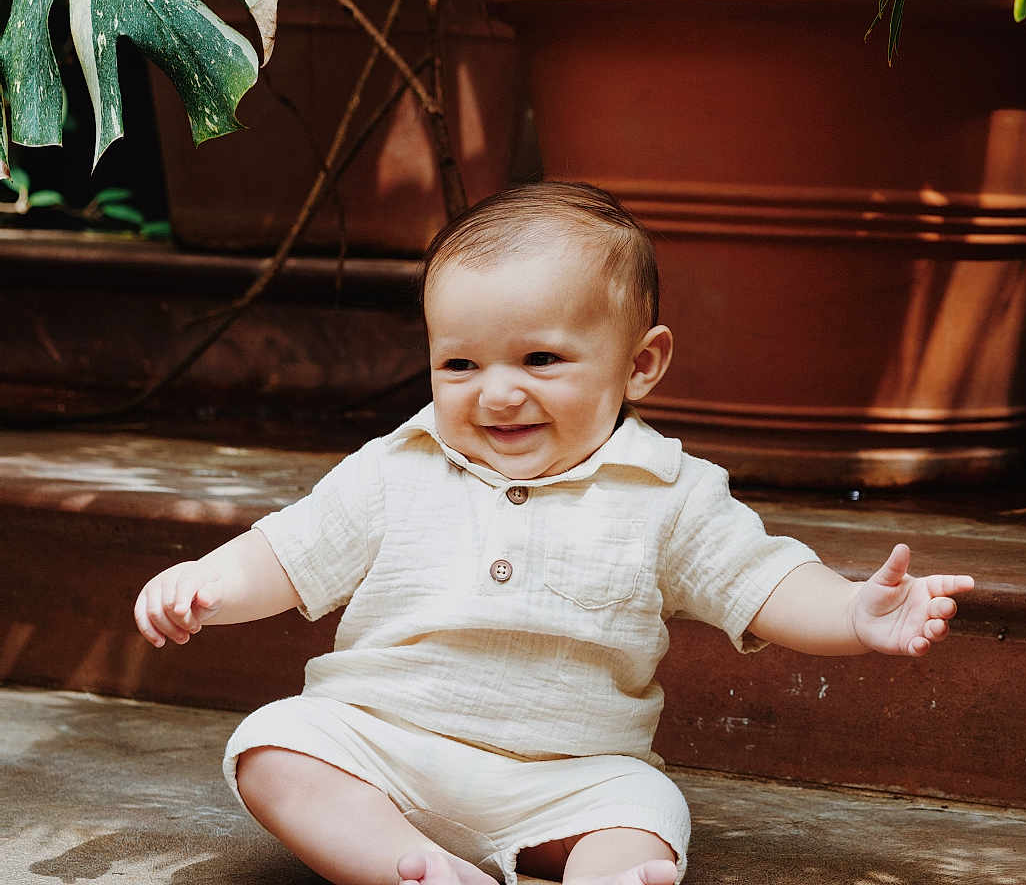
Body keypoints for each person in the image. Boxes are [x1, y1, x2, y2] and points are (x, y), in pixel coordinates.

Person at [133, 182, 975, 885]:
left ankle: (603, 875)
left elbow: (764, 581)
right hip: (385, 745)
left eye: (540, 361)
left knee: (646, 812)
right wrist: (206, 585)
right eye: (460, 364)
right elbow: (289, 550)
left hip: (566, 779)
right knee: (275, 746)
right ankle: (409, 864)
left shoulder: (668, 493)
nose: (496, 394)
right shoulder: (398, 468)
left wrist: (856, 614)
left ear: (640, 364)